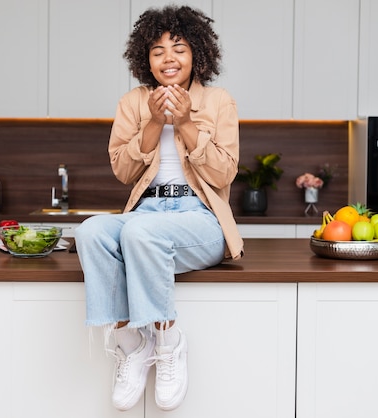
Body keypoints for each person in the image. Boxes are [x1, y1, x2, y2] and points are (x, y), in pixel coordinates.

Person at [74, 4, 244, 412]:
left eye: (179, 48)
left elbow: (224, 174)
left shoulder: (218, 101)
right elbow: (123, 169)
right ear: (144, 59)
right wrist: (152, 122)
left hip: (200, 218)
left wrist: (184, 122)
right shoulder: (133, 102)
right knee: (91, 231)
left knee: (137, 232)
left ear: (197, 53)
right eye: (157, 50)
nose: (168, 58)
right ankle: (131, 343)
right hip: (147, 214)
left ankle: (168, 342)